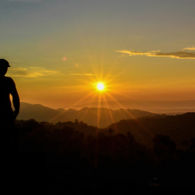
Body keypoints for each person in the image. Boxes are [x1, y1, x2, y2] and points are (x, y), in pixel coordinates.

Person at [0, 59, 20, 129]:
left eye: (6, 68)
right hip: (7, 113)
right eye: (4, 68)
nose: (5, 70)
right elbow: (15, 96)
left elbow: (15, 97)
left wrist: (16, 111)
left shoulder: (8, 81)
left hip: (7, 113)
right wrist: (16, 111)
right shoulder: (8, 81)